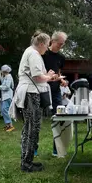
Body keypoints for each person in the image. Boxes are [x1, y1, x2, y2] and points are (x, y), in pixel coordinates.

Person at [13, 31, 58, 173]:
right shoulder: (33, 54)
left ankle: (27, 160)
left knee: (30, 127)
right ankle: (26, 163)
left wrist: (48, 76)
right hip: (30, 93)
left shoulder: (31, 52)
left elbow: (38, 76)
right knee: (32, 127)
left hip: (30, 92)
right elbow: (38, 77)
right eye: (47, 45)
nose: (47, 48)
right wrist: (49, 76)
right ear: (40, 44)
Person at [41, 31, 68, 156]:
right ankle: (33, 149)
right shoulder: (43, 54)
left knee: (59, 117)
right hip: (42, 89)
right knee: (36, 119)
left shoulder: (61, 57)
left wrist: (62, 80)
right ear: (52, 40)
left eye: (63, 44)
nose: (61, 46)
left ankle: (56, 148)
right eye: (59, 43)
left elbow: (58, 72)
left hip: (56, 90)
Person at [0, 65, 15, 132]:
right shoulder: (6, 77)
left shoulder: (9, 77)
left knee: (5, 110)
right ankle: (8, 125)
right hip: (5, 96)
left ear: (3, 71)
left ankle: (10, 125)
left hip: (8, 96)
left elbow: (7, 87)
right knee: (4, 110)